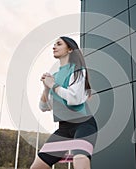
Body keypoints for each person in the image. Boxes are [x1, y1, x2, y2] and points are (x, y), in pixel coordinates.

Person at [30, 36, 98, 169]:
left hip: (83, 125)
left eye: (59, 44)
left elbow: (75, 99)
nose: (54, 46)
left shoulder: (78, 70)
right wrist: (46, 88)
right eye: (54, 44)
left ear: (70, 49)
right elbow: (44, 107)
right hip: (64, 129)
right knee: (37, 167)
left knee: (79, 159)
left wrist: (53, 85)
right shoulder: (54, 76)